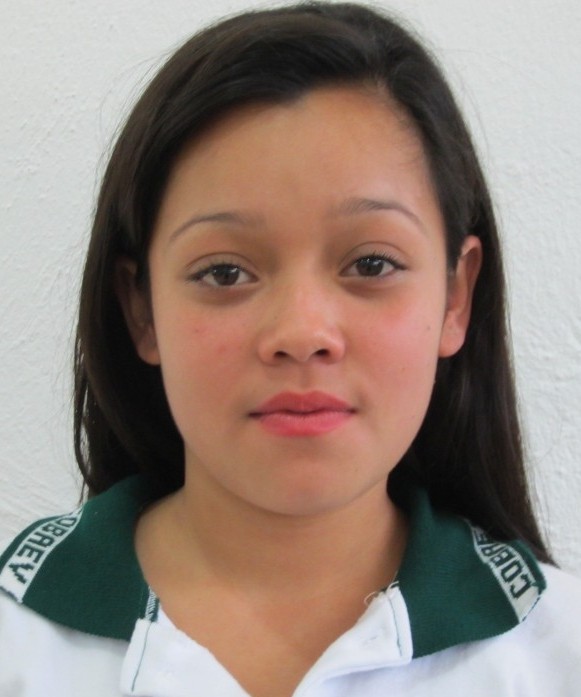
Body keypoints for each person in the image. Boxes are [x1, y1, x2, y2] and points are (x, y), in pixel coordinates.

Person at [1, 2, 580, 695]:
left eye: (370, 264)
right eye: (224, 273)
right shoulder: (18, 642)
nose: (302, 333)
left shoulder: (559, 653)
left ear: (455, 296)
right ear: (141, 309)